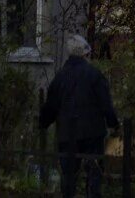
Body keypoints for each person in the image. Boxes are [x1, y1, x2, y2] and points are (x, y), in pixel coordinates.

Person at [40, 34, 119, 198]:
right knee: (94, 173)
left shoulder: (60, 77)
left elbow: (51, 106)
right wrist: (114, 123)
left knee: (69, 177)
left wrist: (43, 123)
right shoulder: (94, 75)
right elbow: (106, 104)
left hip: (67, 133)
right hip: (93, 132)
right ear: (85, 54)